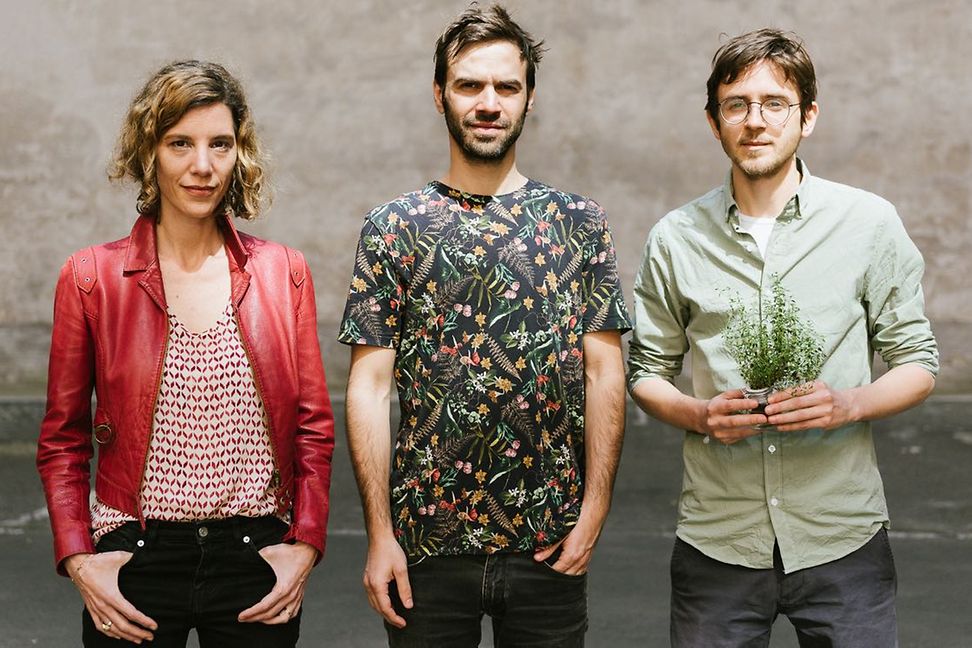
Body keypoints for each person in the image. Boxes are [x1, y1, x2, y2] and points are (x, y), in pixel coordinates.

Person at [627, 28, 939, 647]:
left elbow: (919, 363)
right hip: (718, 539)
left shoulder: (869, 223)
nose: (756, 121)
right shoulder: (676, 237)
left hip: (841, 535)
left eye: (775, 103)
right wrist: (699, 415)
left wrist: (848, 403)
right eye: (736, 105)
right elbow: (646, 373)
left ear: (808, 117)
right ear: (714, 122)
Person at [339, 4, 630, 646]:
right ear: (439, 94)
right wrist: (380, 534)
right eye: (470, 85)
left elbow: (605, 374)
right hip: (425, 546)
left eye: (507, 87)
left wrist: (594, 513)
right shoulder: (394, 227)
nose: (489, 103)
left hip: (549, 541)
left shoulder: (578, 222)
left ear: (529, 98)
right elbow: (370, 387)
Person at [36, 60, 334, 647]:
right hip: (134, 557)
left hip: (254, 556)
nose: (202, 165)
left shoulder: (283, 272)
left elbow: (313, 428)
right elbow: (62, 438)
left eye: (220, 144)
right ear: (149, 152)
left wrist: (305, 542)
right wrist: (79, 556)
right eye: (180, 143)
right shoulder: (91, 277)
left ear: (239, 153)